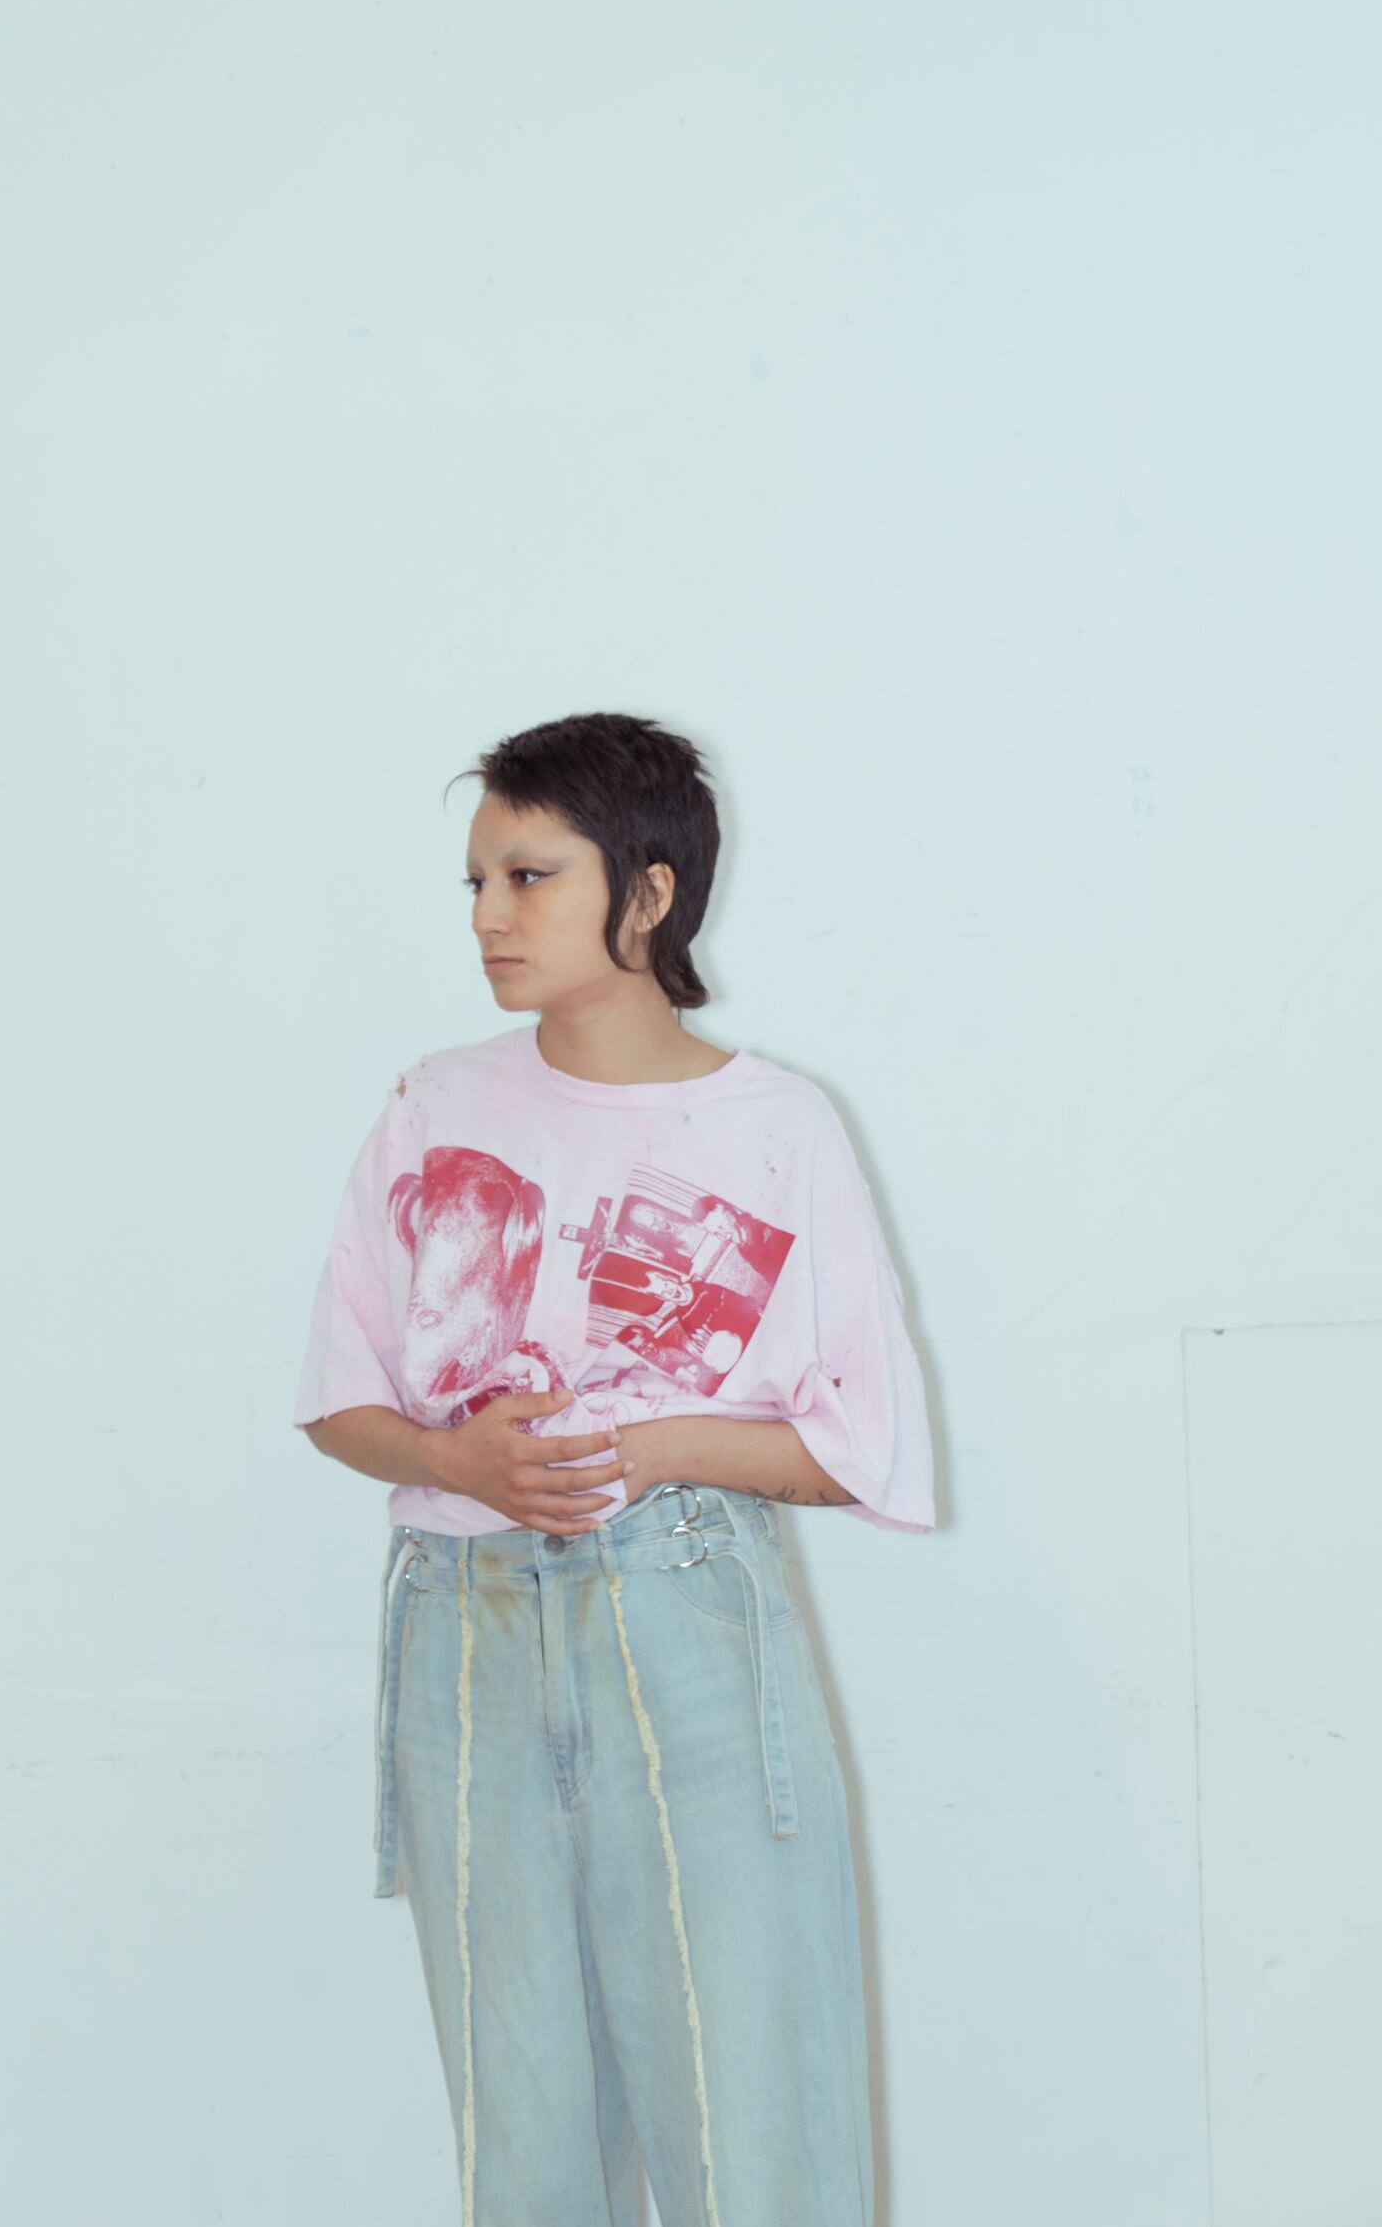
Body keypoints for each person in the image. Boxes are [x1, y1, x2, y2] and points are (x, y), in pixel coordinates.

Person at [293, 710, 937, 2227]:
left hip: (684, 1619)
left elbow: (857, 1450)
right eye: (475, 882)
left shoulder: (775, 1126)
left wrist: (641, 1452)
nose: (488, 916)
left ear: (648, 893)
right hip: (466, 1631)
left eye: (529, 877)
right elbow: (337, 1400)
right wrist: (458, 1460)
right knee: (524, 2140)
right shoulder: (435, 1105)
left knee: (751, 2115)